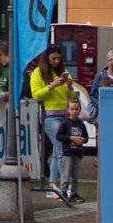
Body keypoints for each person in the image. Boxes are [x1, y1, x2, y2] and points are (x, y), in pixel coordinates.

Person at [30, 44, 76, 197]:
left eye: (59, 58)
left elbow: (71, 96)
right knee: (63, 148)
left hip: (64, 115)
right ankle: (65, 185)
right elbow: (35, 95)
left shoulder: (62, 71)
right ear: (46, 59)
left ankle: (53, 184)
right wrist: (51, 85)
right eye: (53, 58)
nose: (56, 61)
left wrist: (69, 85)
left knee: (57, 151)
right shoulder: (38, 73)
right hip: (49, 115)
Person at [55, 98, 91, 202]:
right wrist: (70, 138)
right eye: (72, 109)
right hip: (68, 152)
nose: (74, 111)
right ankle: (63, 192)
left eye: (76, 109)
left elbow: (86, 137)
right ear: (68, 110)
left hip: (78, 152)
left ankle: (74, 193)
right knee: (66, 174)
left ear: (80, 110)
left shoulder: (81, 124)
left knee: (75, 176)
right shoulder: (65, 123)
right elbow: (59, 136)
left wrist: (83, 140)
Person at [86, 49, 113, 122]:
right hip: (102, 110)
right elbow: (93, 94)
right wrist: (100, 105)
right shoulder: (100, 76)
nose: (112, 62)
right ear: (107, 62)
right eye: (110, 60)